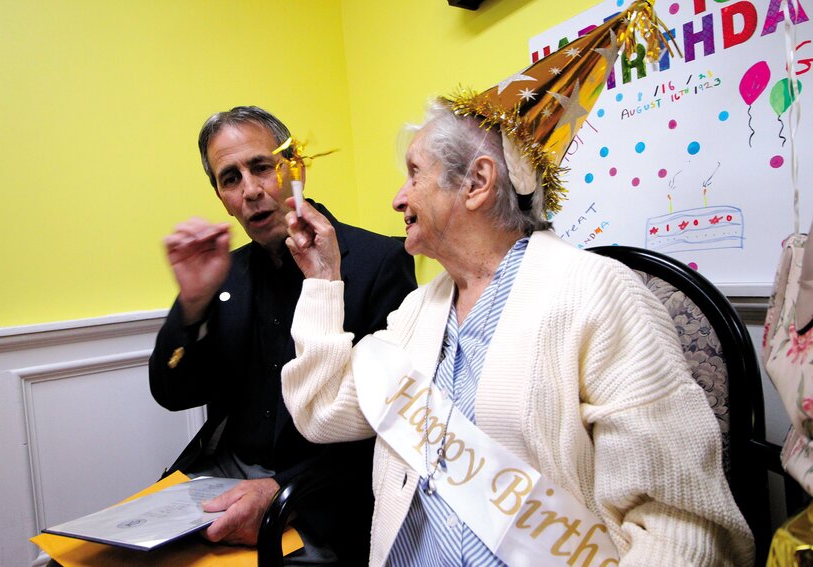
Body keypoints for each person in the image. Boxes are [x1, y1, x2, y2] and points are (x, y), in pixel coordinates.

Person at [280, 4, 755, 565]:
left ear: (477, 183)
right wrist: (322, 278)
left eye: (413, 173)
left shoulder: (599, 294)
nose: (397, 198)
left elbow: (681, 527)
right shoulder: (415, 313)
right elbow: (320, 409)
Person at [148, 105, 416, 564]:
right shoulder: (224, 274)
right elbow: (171, 392)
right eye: (230, 178)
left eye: (261, 167)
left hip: (319, 496)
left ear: (296, 169)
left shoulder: (378, 262)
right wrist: (192, 306)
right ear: (220, 196)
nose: (251, 190)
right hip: (221, 477)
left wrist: (279, 490)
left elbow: (391, 422)